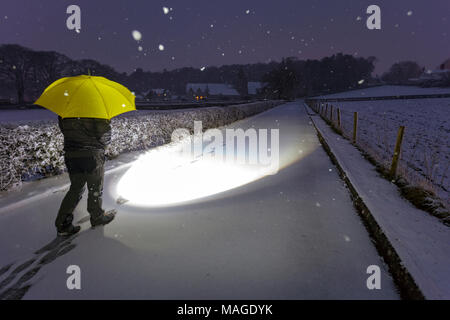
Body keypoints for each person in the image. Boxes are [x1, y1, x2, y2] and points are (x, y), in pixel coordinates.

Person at [55, 116, 115, 237]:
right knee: (95, 188)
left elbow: (64, 130)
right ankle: (97, 217)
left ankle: (63, 224)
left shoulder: (66, 109)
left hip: (71, 155)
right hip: (91, 154)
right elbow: (104, 135)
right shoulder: (95, 109)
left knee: (76, 188)